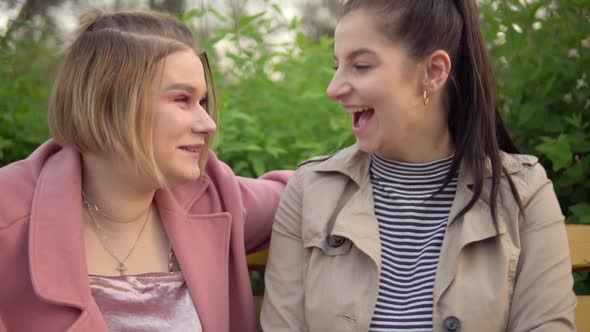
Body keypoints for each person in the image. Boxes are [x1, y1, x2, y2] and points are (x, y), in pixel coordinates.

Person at [261, 0, 576, 331]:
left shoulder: (522, 193)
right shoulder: (310, 191)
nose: (333, 89)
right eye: (336, 66)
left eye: (361, 66)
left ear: (434, 72)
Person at [0, 8, 291, 332]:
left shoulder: (212, 194)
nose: (208, 124)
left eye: (204, 102)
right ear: (110, 103)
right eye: (182, 99)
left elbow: (308, 191)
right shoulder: (9, 212)